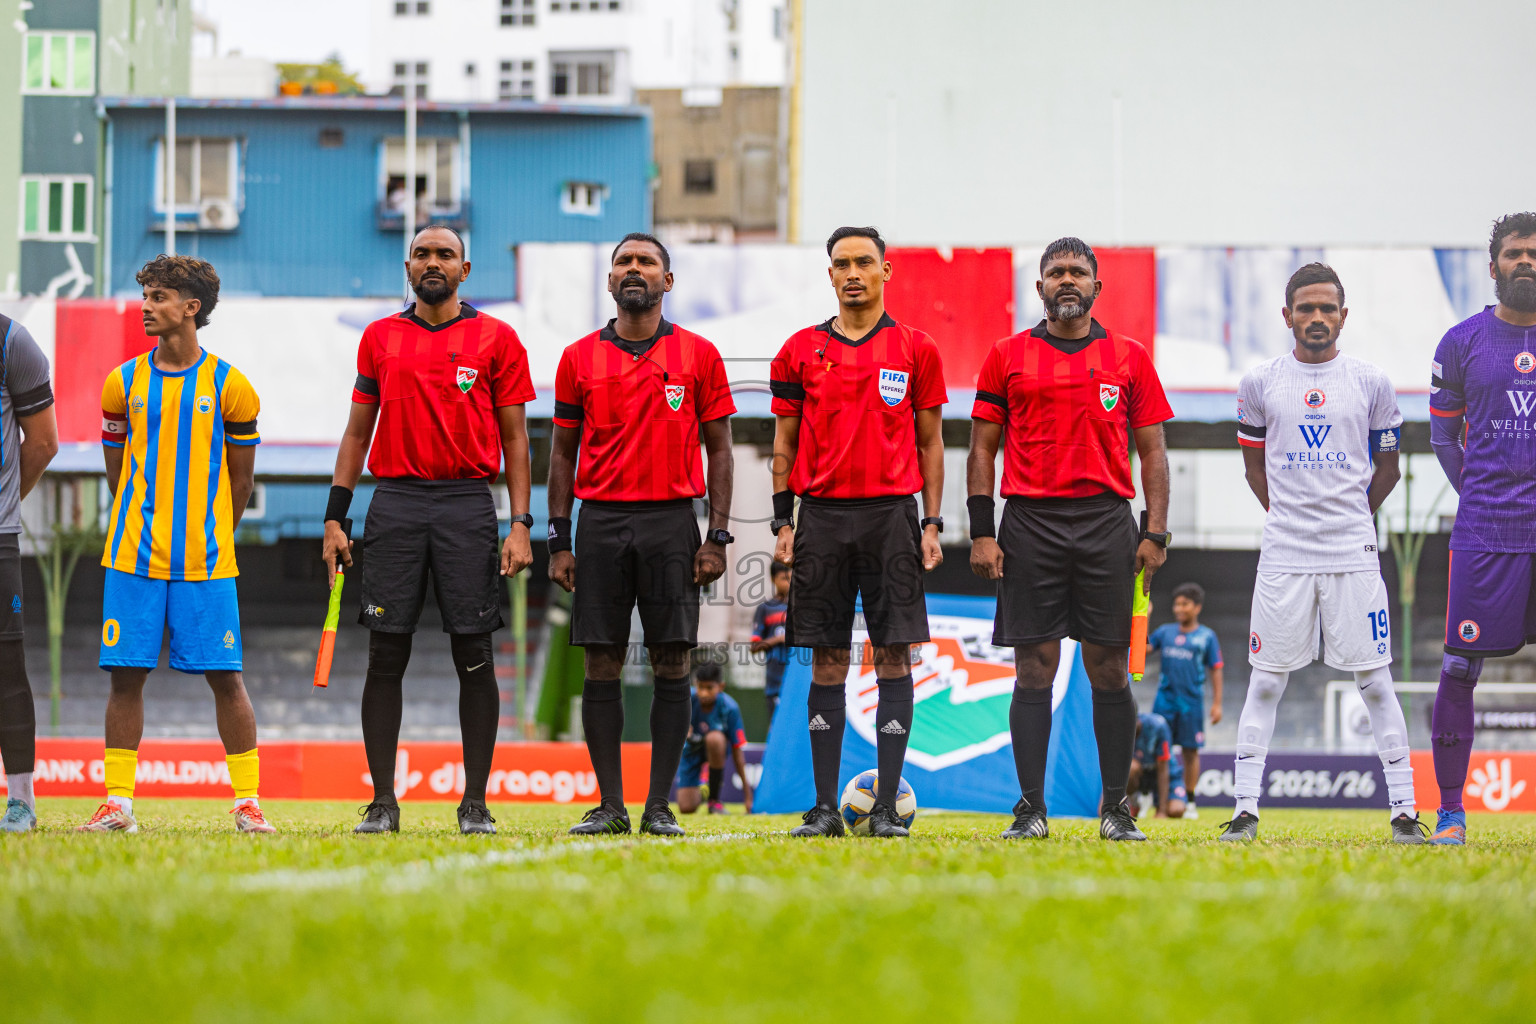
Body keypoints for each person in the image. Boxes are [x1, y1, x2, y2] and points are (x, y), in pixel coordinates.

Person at [323, 224, 535, 836]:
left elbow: (517, 439)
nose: (433, 262)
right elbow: (357, 433)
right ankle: (383, 803)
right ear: (407, 266)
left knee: (476, 652)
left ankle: (475, 804)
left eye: (445, 254)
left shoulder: (497, 338)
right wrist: (336, 516)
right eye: (422, 254)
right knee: (386, 653)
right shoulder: (380, 338)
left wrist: (519, 524)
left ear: (465, 271)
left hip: (467, 504)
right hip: (395, 503)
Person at [968, 236, 1172, 843]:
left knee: (1108, 667)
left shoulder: (1129, 357)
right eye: (1055, 272)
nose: (1066, 280)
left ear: (1095, 287)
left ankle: (1116, 810)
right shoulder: (1006, 355)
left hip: (1108, 521)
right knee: (1034, 667)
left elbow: (1154, 453)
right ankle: (1030, 809)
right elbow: (981, 449)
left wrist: (1154, 531)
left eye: (1077, 272)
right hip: (1029, 523)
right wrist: (982, 532)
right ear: (1039, 288)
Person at [1224, 262, 1422, 844]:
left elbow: (1389, 467)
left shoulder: (1371, 382)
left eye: (1326, 308)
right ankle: (1244, 810)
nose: (1316, 318)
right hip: (1284, 550)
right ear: (1286, 316)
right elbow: (1253, 468)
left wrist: (1351, 516)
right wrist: (1290, 516)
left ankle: (1405, 811)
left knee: (1376, 681)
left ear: (1343, 315)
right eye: (1305, 309)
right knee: (1265, 682)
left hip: (1353, 552)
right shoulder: (1259, 383)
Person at [549, 232, 735, 838]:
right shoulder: (579, 357)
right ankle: (610, 804)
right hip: (599, 520)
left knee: (672, 659)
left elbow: (721, 450)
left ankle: (658, 807)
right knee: (601, 660)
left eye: (646, 262)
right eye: (623, 263)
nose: (634, 270)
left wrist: (718, 536)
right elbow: (560, 453)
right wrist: (559, 539)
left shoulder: (700, 355)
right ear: (609, 282)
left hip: (670, 522)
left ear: (667, 280)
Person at [78, 255, 273, 834]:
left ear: (191, 308)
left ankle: (247, 803)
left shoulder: (232, 386)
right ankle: (118, 804)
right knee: (125, 677)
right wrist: (142, 521)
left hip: (206, 562)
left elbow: (242, 481)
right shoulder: (122, 383)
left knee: (226, 678)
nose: (146, 306)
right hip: (132, 558)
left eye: (159, 297)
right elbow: (118, 473)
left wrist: (213, 535)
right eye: (145, 295)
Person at [769, 225, 946, 839]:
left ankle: (887, 808)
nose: (852, 272)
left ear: (885, 271)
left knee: (894, 654)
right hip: (820, 516)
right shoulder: (799, 350)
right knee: (828, 659)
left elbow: (930, 441)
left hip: (892, 518)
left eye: (863, 262)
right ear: (830, 274)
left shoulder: (915, 348)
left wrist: (930, 520)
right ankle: (822, 809)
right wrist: (781, 520)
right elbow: (784, 445)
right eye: (841, 263)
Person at [1427, 212, 1536, 845]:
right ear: (1493, 265)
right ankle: (1450, 812)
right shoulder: (1460, 341)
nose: (1526, 262)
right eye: (1515, 252)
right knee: (1460, 668)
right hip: (1485, 533)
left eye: (1533, 253)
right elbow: (1443, 436)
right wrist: (1481, 495)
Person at [0, 314, 59, 833]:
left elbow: (42, 442)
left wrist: (4, 507)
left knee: (6, 667)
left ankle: (21, 801)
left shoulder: (12, 341)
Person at [1146, 581, 1223, 816]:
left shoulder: (1206, 637)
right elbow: (1144, 649)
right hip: (1164, 702)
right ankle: (1152, 796)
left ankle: (1189, 802)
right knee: (1156, 749)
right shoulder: (1165, 632)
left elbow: (1216, 668)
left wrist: (1217, 703)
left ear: (1197, 607)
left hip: (1191, 704)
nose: (1179, 608)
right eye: (1176, 604)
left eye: (1185, 604)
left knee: (1190, 752)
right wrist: (1145, 618)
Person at [675, 663, 752, 814]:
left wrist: (748, 796)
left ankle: (714, 801)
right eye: (700, 687)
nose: (704, 693)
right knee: (686, 807)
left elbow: (738, 752)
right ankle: (704, 790)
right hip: (690, 751)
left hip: (716, 749)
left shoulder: (730, 708)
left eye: (709, 688)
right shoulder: (686, 700)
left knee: (715, 738)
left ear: (721, 687)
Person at [750, 562, 791, 731]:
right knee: (776, 730)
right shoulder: (765, 609)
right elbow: (754, 646)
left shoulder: (801, 608)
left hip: (796, 681)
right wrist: (778, 639)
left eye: (791, 578)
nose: (789, 582)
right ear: (774, 579)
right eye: (784, 578)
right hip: (775, 683)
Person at [1128, 710, 1186, 819]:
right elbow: (1114, 767)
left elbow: (1163, 770)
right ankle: (1134, 803)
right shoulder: (1118, 730)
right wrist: (1105, 804)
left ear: (1136, 718)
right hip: (1141, 775)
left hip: (1165, 773)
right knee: (1129, 768)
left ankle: (1160, 805)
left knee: (1176, 810)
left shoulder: (1157, 726)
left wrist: (1161, 811)